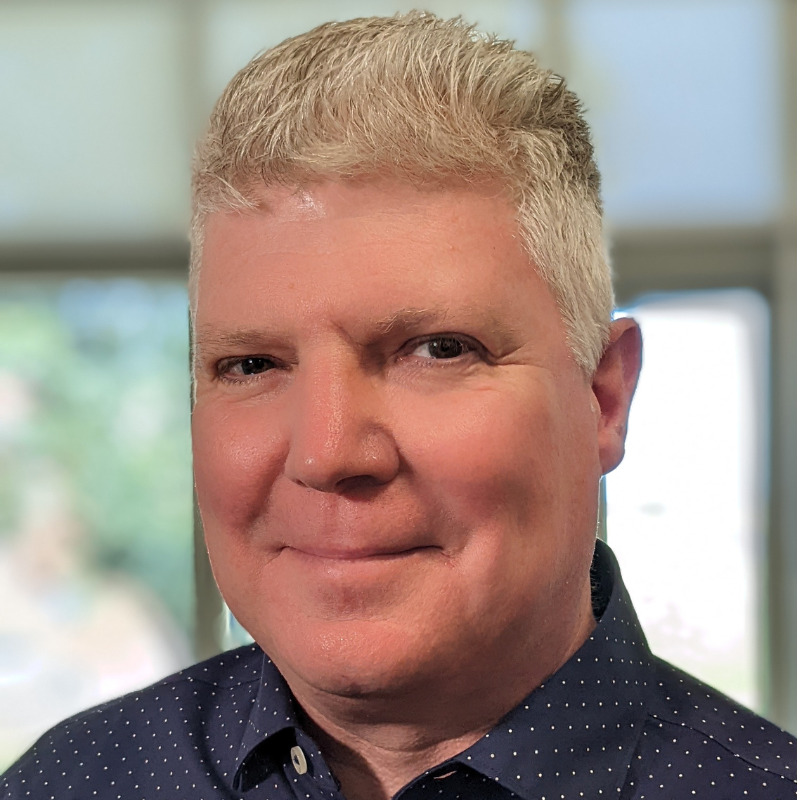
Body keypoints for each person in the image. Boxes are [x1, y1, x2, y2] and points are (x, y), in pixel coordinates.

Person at [1, 12, 795, 800]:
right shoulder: (68, 783)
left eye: (438, 350)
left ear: (604, 398)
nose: (327, 453)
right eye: (251, 364)